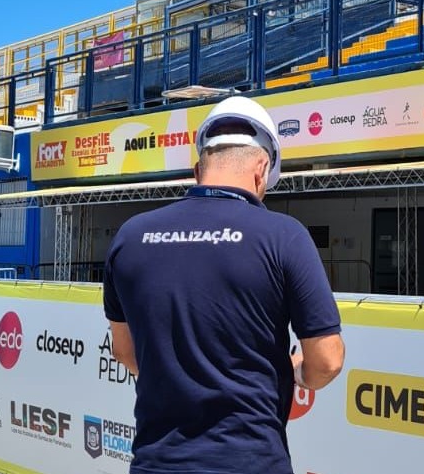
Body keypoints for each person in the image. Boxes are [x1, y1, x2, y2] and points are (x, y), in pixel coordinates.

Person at [103, 95, 345, 474]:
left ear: (198, 169)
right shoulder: (284, 236)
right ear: (262, 169)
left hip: (157, 463)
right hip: (249, 462)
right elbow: (327, 360)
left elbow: (123, 350)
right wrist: (297, 373)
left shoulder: (131, 236)